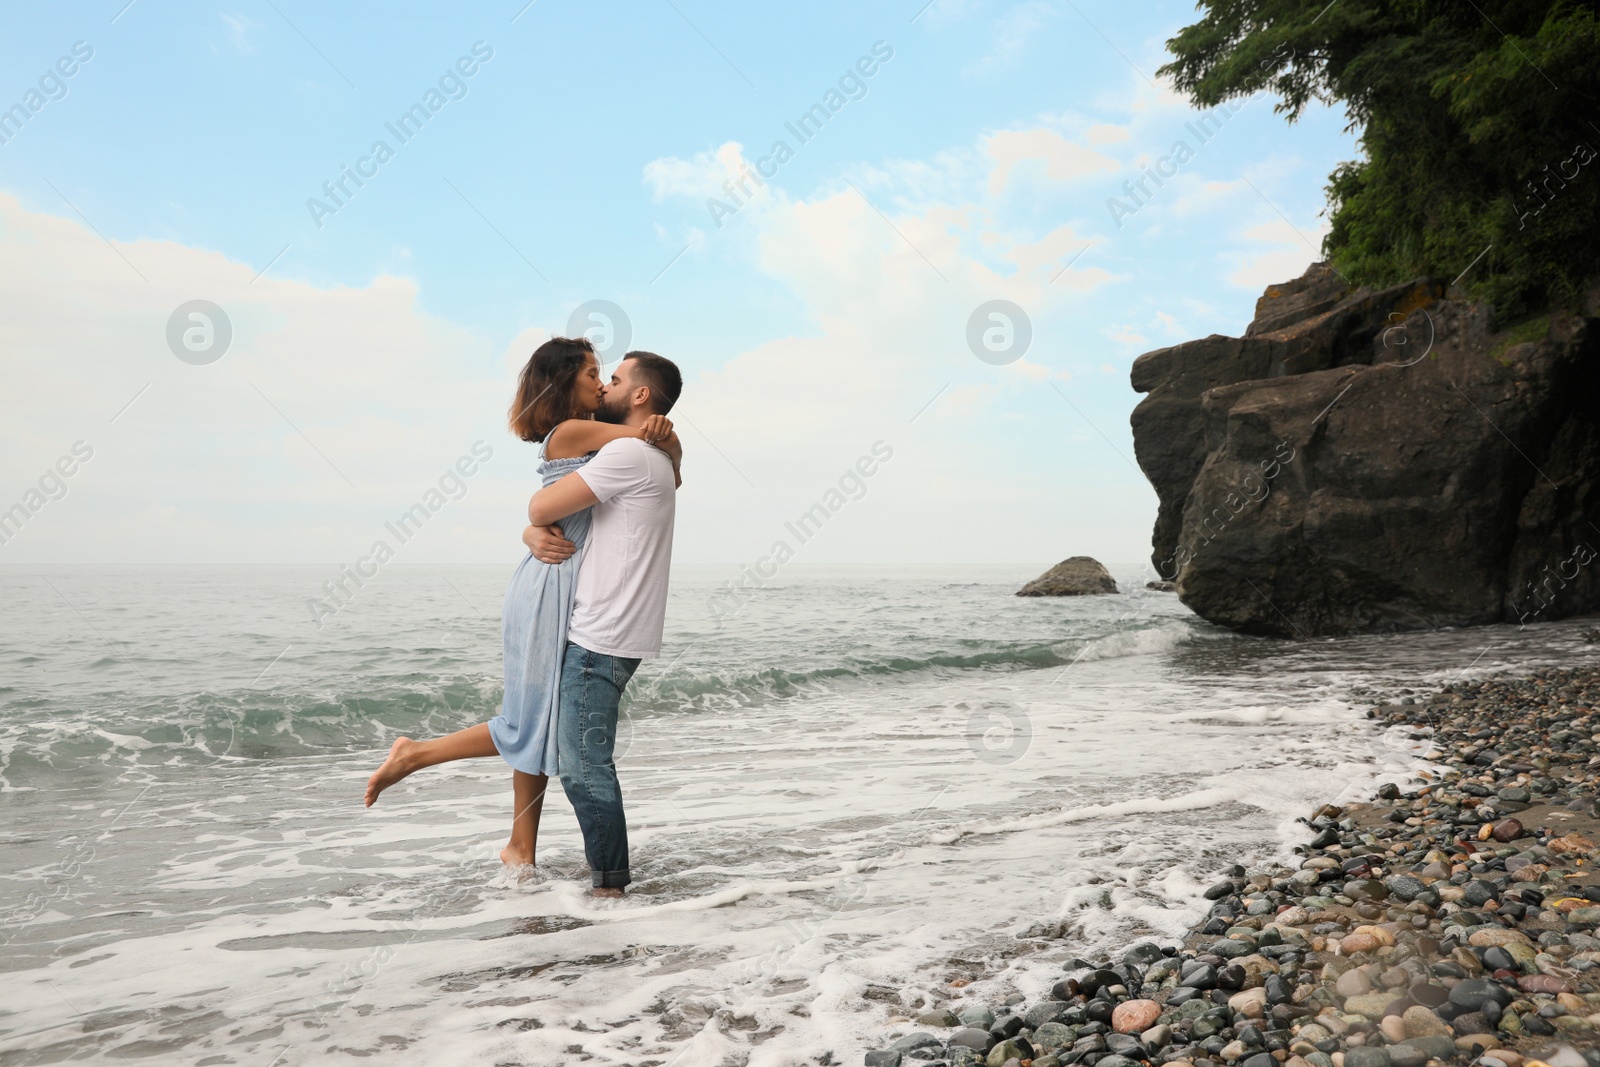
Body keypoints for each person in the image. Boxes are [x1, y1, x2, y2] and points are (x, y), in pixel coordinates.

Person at [363, 339, 682, 885]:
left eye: (608, 377)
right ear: (567, 384)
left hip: (562, 579)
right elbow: (645, 444)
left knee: (535, 718)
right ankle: (424, 762)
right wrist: (665, 436)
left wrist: (667, 444)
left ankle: (520, 845)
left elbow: (655, 467)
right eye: (592, 374)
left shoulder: (603, 440)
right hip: (548, 585)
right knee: (529, 718)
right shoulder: (575, 433)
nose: (601, 384)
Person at [518, 349, 683, 896]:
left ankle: (611, 890)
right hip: (617, 632)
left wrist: (532, 528)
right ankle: (604, 880)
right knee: (563, 748)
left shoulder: (630, 455)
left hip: (599, 634)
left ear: (639, 396)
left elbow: (542, 509)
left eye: (613, 379)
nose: (605, 386)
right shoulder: (649, 456)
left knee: (584, 769)